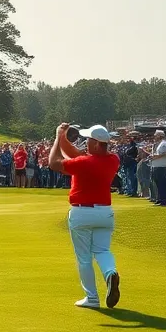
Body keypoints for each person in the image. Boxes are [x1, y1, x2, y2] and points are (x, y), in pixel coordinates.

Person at [49, 123, 121, 309]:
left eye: (88, 140)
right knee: (102, 251)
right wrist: (64, 137)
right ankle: (110, 273)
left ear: (96, 144)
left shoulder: (84, 163)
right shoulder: (113, 159)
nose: (85, 142)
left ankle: (92, 298)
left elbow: (53, 163)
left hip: (82, 213)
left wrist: (57, 137)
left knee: (84, 258)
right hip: (104, 213)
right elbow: (73, 152)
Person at [148, 130, 166, 206]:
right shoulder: (160, 144)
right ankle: (160, 199)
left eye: (156, 135)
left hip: (161, 166)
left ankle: (164, 200)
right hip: (157, 165)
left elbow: (165, 154)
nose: (154, 137)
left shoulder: (164, 144)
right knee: (158, 184)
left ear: (160, 136)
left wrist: (155, 157)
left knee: (162, 184)